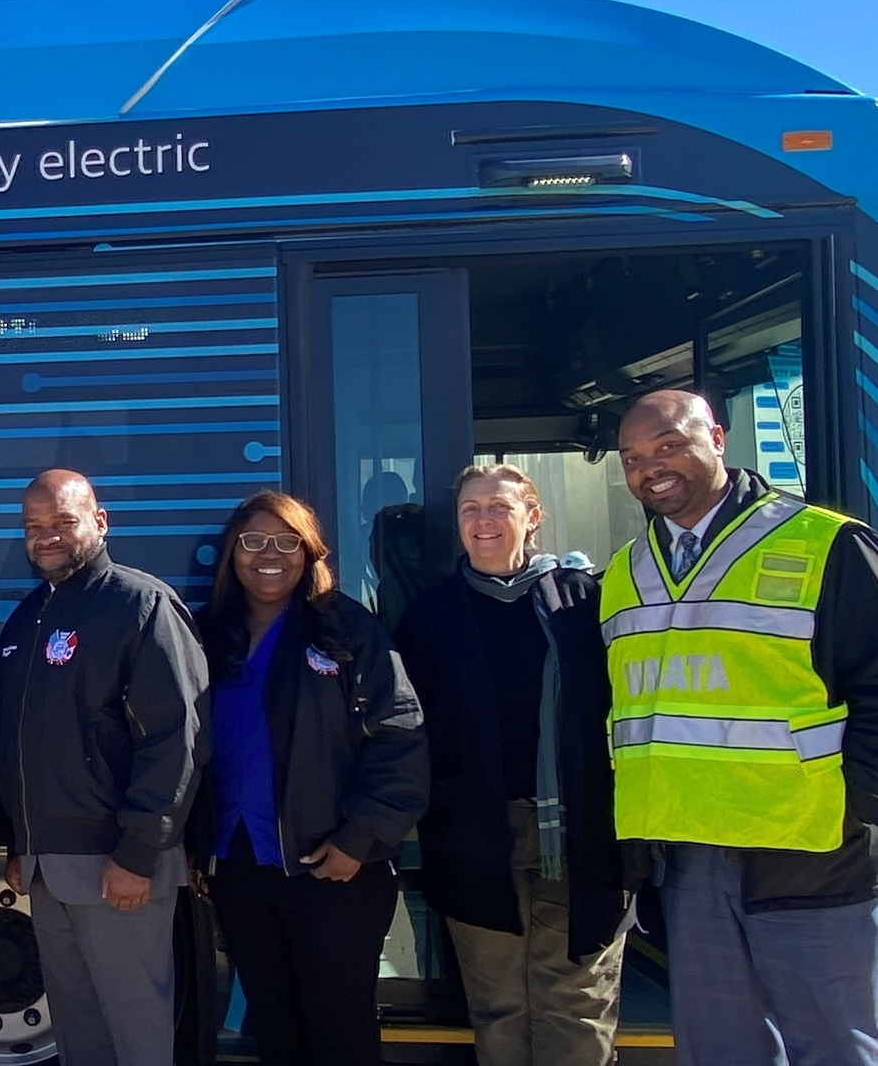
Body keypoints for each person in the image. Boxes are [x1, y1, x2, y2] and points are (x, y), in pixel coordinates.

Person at [603, 389, 878, 1065]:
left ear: (717, 438)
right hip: (689, 861)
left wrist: (854, 808)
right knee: (719, 1051)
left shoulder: (824, 543)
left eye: (668, 444)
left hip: (810, 853)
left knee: (836, 1047)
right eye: (632, 457)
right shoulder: (622, 573)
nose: (650, 468)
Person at [396, 466, 634, 1066]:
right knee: (498, 1008)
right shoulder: (430, 619)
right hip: (478, 838)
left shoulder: (585, 601)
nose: (482, 521)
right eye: (469, 509)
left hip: (579, 837)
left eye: (498, 507)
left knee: (575, 1005)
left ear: (533, 517)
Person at [190, 491, 427, 1066]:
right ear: (231, 554)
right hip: (241, 868)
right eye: (252, 542)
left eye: (286, 541)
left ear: (309, 551)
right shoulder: (206, 634)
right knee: (274, 1028)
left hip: (332, 867)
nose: (268, 555)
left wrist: (358, 839)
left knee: (339, 1029)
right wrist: (197, 847)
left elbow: (400, 739)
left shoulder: (348, 629)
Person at [0, 469, 208, 1066]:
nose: (47, 538)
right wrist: (20, 846)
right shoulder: (26, 618)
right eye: (34, 527)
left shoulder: (140, 605)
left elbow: (177, 740)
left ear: (100, 521)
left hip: (118, 867)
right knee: (81, 1038)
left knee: (137, 1038)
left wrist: (139, 852)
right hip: (45, 869)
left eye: (62, 522)